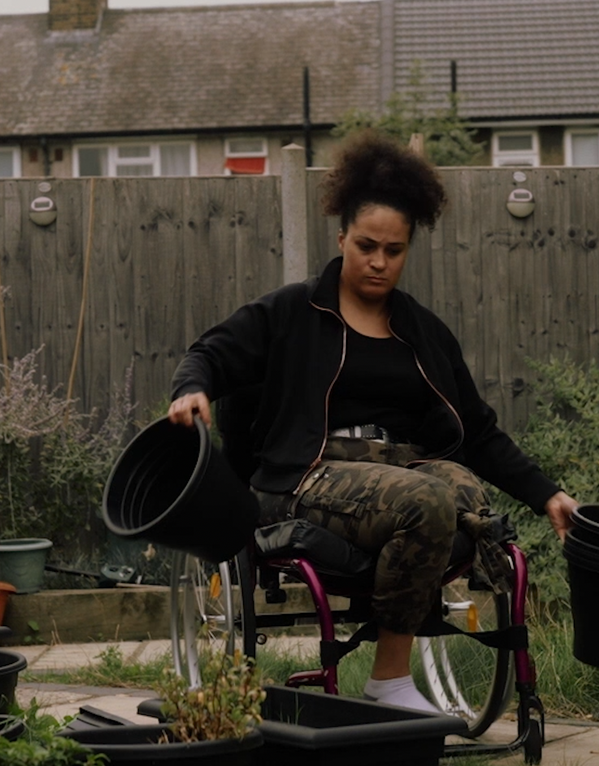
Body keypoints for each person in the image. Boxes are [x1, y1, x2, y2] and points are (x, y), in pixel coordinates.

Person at [168, 131, 577, 713]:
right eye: (366, 245)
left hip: (398, 467)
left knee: (466, 494)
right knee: (427, 503)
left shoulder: (423, 332)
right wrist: (192, 392)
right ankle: (388, 681)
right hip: (306, 473)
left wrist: (549, 496)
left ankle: (472, 638)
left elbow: (478, 431)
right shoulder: (293, 311)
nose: (379, 261)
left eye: (394, 249)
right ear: (342, 238)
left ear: (408, 249)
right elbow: (208, 353)